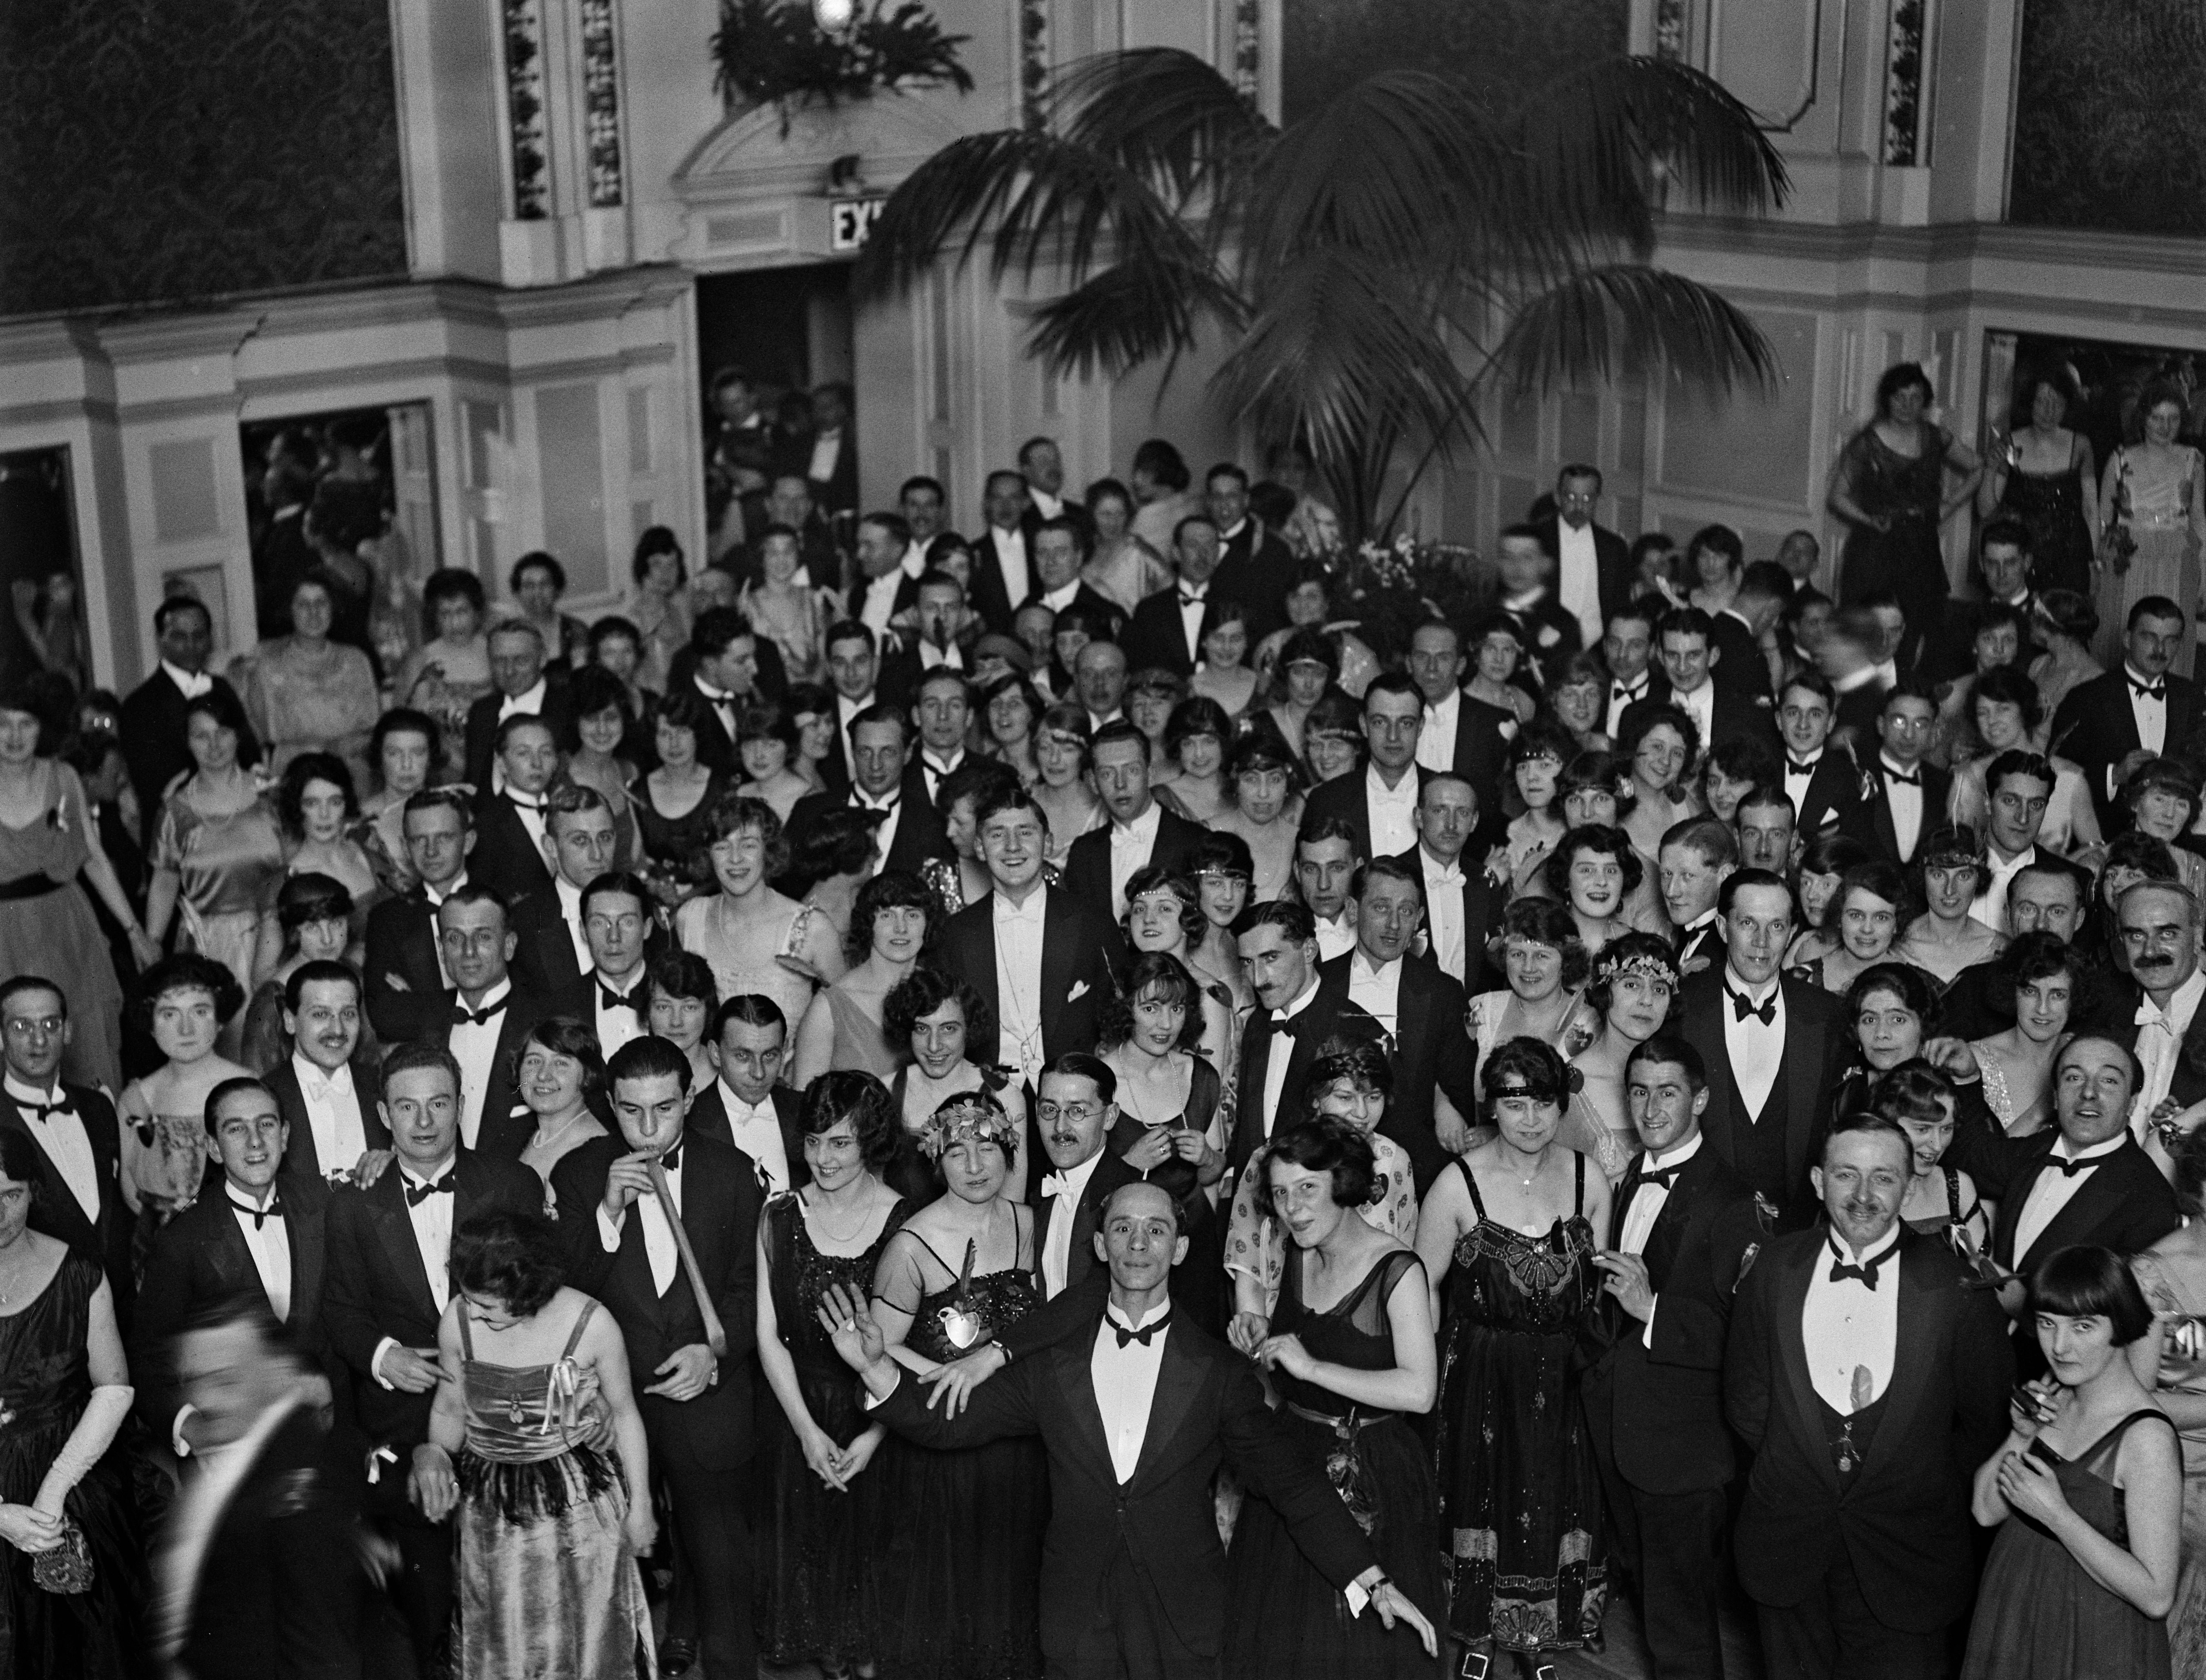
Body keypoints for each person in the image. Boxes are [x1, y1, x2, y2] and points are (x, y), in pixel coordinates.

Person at [819, 1174, 1440, 1676]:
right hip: (1075, 1615)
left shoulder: (1219, 1373)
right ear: (1100, 1246)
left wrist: (1372, 1579)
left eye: (1156, 1229)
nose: (1138, 1243)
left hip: (1182, 1622)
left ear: (1181, 1248)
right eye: (1122, 1228)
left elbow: (1294, 1484)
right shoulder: (1052, 1365)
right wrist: (877, 1369)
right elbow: (950, 1423)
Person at [1725, 1112, 2015, 1680]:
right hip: (1788, 1545)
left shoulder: (1958, 1289)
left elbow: (1982, 1425)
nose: (1863, 1195)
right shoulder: (1774, 1270)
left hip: (1908, 1559)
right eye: (1845, 1175)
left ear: (1909, 1186)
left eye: (1883, 1178)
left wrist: (1910, 1482)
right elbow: (1746, 1400)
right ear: (1817, 1181)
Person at [320, 1041, 541, 1672]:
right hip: (400, 1416)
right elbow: (340, 1309)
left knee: (513, 1598)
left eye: (439, 1103)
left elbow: (541, 1298)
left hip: (503, 1409)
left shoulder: (511, 1184)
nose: (424, 1122)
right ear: (383, 1116)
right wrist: (383, 1355)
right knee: (427, 1611)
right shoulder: (353, 1203)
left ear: (460, 1106)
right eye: (407, 1107)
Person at [549, 1035, 765, 1680]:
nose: (647, 1127)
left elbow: (751, 1286)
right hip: (612, 1403)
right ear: (609, 1102)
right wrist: (608, 1213)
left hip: (709, 1391)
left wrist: (714, 1348)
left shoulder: (731, 1170)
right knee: (611, 1563)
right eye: (632, 1111)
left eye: (664, 1109)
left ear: (690, 1097)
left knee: (722, 1558)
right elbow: (567, 1290)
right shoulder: (581, 1174)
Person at [1219, 1120, 1442, 1680]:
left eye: (1307, 1189)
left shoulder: (1398, 1269)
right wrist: (1257, 1337)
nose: (1291, 1209)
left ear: (1342, 1183)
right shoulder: (1297, 1254)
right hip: (1295, 1464)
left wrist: (1313, 1365)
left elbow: (1419, 1390)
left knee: (1360, 1648)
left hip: (1375, 1470)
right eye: (1280, 1193)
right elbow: (1292, 1370)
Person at [1415, 1037, 1612, 1667]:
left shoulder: (1590, 1178)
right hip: (1479, 1375)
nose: (1531, 1120)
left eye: (1545, 1103)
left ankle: (1540, 1640)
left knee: (1555, 1502)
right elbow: (1420, 1292)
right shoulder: (1455, 1184)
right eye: (1514, 1102)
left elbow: (1594, 1294)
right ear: (1490, 1106)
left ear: (1562, 1106)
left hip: (1564, 1379)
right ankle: (1477, 1637)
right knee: (1483, 1499)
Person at [1580, 1035, 1764, 1680]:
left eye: (1669, 1091)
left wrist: (1652, 1307)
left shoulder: (1734, 1199)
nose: (1651, 1108)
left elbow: (1750, 1335)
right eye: (1638, 1091)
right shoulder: (1634, 1170)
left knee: (1681, 1626)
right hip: (1626, 1425)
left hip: (1684, 1449)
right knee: (1661, 1616)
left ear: (1701, 1099)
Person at [409, 1210, 655, 1678]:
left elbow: (624, 1413)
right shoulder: (458, 1320)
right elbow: (449, 1407)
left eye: (488, 1305)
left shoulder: (593, 1323)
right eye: (468, 1299)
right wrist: (436, 1454)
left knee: (588, 1643)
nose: (473, 1313)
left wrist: (641, 1507)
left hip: (578, 1510)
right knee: (505, 1643)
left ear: (527, 1292)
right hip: (492, 1514)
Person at [866, 1091, 1049, 1680]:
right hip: (945, 1450)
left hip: (1022, 1443)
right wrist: (945, 1373)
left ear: (1009, 1151)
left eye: (988, 1147)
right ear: (935, 1160)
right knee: (950, 1603)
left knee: (1014, 1591)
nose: (975, 1166)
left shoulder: (1030, 1223)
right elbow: (881, 1343)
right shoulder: (911, 1244)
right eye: (958, 1152)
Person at [1961, 1246, 2182, 1678]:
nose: (2060, 1347)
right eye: (2047, 1324)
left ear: (2120, 1325)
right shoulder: (2054, 1397)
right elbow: (1985, 1510)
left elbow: (2157, 1595)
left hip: (2093, 1642)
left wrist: (2059, 1516)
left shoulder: (2146, 1437)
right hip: (2017, 1618)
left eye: (2083, 1327)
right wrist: (2020, 1436)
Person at [754, 1071, 911, 1677]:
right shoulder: (777, 1216)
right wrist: (805, 1431)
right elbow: (769, 1337)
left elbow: (911, 1351)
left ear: (870, 1141)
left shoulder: (906, 1221)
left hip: (878, 1422)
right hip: (797, 1419)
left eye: (840, 1143)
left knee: (868, 1613)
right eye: (815, 1141)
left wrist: (873, 1437)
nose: (823, 1158)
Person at [152, 1296, 363, 1680]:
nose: (203, 1401)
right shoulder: (244, 1452)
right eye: (194, 1381)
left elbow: (322, 1650)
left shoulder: (300, 1485)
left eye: (226, 1380)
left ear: (278, 1372)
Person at [132, 1075, 334, 1448]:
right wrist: (191, 1427)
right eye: (236, 1129)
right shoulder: (182, 1240)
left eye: (266, 1125)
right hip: (236, 1449)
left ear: (286, 1135)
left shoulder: (324, 1203)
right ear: (214, 1147)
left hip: (328, 1435)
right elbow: (149, 1358)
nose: (256, 1141)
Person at [1945, 1035, 2182, 1352]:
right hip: (1983, 1359)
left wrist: (2021, 1304)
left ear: (2133, 1100)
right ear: (2055, 1096)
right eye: (2074, 1077)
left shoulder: (2151, 1199)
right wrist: (1967, 1079)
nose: (2088, 1093)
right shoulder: (2036, 1149)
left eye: (2109, 1081)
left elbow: (2123, 1333)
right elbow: (1971, 1154)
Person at [1676, 868, 1847, 1225]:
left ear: (1792, 933)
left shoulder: (1825, 1014)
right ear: (1723, 928)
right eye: (1748, 923)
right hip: (1700, 1233)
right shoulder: (1683, 1009)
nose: (1762, 942)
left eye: (1777, 926)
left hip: (1796, 1237)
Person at [0, 689, 147, 1091]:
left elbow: (93, 857)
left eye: (25, 724)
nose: (14, 736)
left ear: (42, 729)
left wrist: (134, 930)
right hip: (6, 937)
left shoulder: (63, 778)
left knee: (84, 1046)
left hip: (66, 929)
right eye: (3, 724)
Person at [935, 785, 1124, 1095]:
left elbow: (1122, 1013)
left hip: (1074, 1095)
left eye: (1025, 832)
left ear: (1048, 843)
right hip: (985, 1098)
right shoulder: (956, 933)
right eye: (997, 834)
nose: (1012, 846)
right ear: (980, 848)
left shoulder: (1093, 922)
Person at [1096, 951, 1229, 1334]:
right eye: (1151, 1008)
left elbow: (1214, 1173)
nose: (1165, 1024)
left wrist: (1206, 1157)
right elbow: (1073, 1188)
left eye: (1176, 1009)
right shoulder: (1100, 1079)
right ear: (1127, 1007)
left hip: (1194, 1244)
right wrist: (1129, 1162)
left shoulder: (1201, 1076)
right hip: (1128, 1248)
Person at [0, 978, 138, 1315]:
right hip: (43, 1316)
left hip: (122, 1309)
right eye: (21, 1026)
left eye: (51, 1024)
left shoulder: (99, 1106)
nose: (39, 1039)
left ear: (68, 1032)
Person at [145, 687, 286, 1012]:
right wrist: (152, 943)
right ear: (187, 741)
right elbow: (165, 880)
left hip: (273, 936)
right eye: (201, 736)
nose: (214, 746)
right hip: (207, 945)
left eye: (222, 732)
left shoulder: (271, 796)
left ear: (238, 734)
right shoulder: (175, 811)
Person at [676, 792, 846, 1032]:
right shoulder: (690, 919)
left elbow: (848, 1020)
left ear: (768, 850)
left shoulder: (811, 927)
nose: (735, 859)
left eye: (748, 845)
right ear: (707, 854)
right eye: (722, 847)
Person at [1829, 362, 1983, 624]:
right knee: (1867, 623)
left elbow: (1978, 467)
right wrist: (1868, 519)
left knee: (1922, 622)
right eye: (1899, 397)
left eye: (1915, 398)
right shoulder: (1867, 443)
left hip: (1921, 543)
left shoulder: (1935, 437)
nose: (1906, 405)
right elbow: (1837, 497)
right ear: (1887, 399)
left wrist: (1948, 505)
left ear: (1925, 402)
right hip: (1876, 545)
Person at [119, 954, 252, 1225]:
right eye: (169, 1014)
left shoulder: (248, 1087)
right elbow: (131, 1189)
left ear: (220, 1019)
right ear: (151, 1025)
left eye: (200, 1011)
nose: (186, 1028)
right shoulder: (138, 1097)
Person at [2053, 596, 2203, 829]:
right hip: (2104, 835)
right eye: (2149, 637)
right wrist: (2114, 775)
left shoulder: (2191, 697)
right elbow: (2058, 776)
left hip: (2173, 839)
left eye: (2170, 640)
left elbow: (2199, 768)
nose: (2160, 650)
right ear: (2127, 638)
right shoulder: (2087, 697)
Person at [2098, 378, 2206, 667]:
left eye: (2173, 419)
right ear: (2143, 418)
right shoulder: (2120, 460)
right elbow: (2103, 521)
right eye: (2157, 418)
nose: (2165, 426)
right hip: (2127, 564)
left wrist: (2205, 576)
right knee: (2125, 638)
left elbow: (2198, 519)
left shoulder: (2192, 460)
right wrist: (2098, 568)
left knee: (2170, 640)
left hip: (2176, 563)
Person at [792, 869, 933, 1085]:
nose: (901, 928)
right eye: (886, 915)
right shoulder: (828, 1008)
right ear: (868, 924)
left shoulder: (939, 992)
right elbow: (804, 1104)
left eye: (912, 915)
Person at [241, 571, 380, 788]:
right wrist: (319, 750)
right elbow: (260, 740)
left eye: (321, 603)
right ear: (290, 610)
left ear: (333, 608)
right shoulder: (268, 668)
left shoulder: (357, 661)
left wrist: (345, 749)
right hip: (295, 775)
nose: (313, 613)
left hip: (351, 773)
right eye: (303, 604)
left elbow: (374, 730)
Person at [1950, 667, 2102, 857]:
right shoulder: (1967, 778)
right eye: (1983, 713)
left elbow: (2094, 849)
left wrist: (2055, 872)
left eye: (2003, 709)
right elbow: (1953, 850)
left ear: (2024, 711)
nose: (1992, 721)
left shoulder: (2068, 778)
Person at [1064, 719, 1207, 920]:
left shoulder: (1196, 842)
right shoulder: (1084, 853)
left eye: (1132, 770)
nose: (1120, 784)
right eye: (1107, 774)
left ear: (1150, 775)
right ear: (1093, 783)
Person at [1564, 932, 1679, 1182]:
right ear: (1605, 991)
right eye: (1632, 985)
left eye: (1660, 989)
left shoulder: (1679, 1080)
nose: (1647, 1001)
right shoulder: (1569, 1086)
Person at [265, 959, 388, 1180]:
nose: (338, 1029)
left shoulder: (386, 1087)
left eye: (348, 1014)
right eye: (321, 1014)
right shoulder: (263, 1096)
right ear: (290, 1021)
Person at [1982, 369, 2100, 598]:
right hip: (2025, 560)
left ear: (2067, 406)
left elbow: (2091, 510)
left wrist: (2094, 563)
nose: (2049, 411)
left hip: (2071, 557)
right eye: (2042, 402)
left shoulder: (2081, 446)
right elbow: (1986, 510)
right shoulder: (2011, 444)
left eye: (2057, 403)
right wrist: (1991, 469)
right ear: (2030, 403)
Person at [1466, 897, 1600, 1095]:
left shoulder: (1589, 1023)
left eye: (1542, 956)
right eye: (1518, 954)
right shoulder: (1481, 1010)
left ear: (1566, 962)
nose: (1528, 968)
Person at [236, 872, 358, 1075]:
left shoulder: (353, 975)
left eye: (337, 924)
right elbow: (260, 1079)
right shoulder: (274, 999)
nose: (328, 940)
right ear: (294, 933)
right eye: (312, 928)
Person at [1958, 930, 2074, 1136]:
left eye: (2058, 995)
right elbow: (1977, 1157)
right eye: (2030, 992)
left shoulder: (2084, 1054)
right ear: (2012, 992)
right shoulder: (1973, 1062)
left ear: (2074, 999)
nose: (2043, 1009)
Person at [393, 568, 496, 775]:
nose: (455, 623)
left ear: (477, 613)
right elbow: (413, 725)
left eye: (462, 612)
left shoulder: (494, 652)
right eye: (446, 614)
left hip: (495, 761)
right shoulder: (421, 662)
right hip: (443, 765)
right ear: (434, 617)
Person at [635, 688, 730, 909]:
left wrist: (687, 898)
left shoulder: (723, 789)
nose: (674, 743)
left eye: (683, 732)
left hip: (716, 907)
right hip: (657, 909)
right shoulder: (638, 791)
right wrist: (654, 887)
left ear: (698, 735)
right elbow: (635, 862)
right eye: (665, 734)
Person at [509, 1017, 609, 1213]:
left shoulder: (596, 1153)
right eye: (534, 1061)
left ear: (588, 1074)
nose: (543, 1075)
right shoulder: (514, 1136)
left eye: (561, 1063)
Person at [1893, 822, 2008, 982]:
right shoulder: (1896, 946)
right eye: (1939, 875)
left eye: (1963, 876)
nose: (1949, 890)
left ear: (1979, 880)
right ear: (1922, 877)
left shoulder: (2001, 951)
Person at [274, 752, 380, 915]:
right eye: (312, 803)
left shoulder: (368, 849)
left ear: (347, 804)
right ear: (296, 807)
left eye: (335, 802)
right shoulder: (292, 877)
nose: (324, 814)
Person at [1793, 860, 1909, 996]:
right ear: (1839, 919)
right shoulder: (1803, 980)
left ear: (1896, 925)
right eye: (1856, 916)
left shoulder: (1914, 985)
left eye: (1881, 918)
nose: (1867, 929)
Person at [1215, 730, 1306, 903]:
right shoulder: (1208, 835)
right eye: (1252, 779)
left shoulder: (1302, 842)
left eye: (1275, 779)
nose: (1263, 793)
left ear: (1288, 785)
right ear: (1235, 784)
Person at [356, 707, 439, 894]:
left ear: (431, 758)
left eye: (418, 753)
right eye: (394, 753)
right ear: (380, 757)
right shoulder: (361, 819)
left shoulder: (453, 809)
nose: (406, 765)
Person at [1082, 477, 1172, 614]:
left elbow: (1170, 588)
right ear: (1092, 515)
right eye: (1106, 514)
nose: (1113, 522)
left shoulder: (1139, 552)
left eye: (1120, 514)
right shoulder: (1084, 550)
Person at [507, 550, 590, 667]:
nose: (538, 593)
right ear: (517, 593)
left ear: (557, 590)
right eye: (530, 586)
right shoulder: (507, 634)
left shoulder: (576, 630)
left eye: (545, 584)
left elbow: (582, 677)